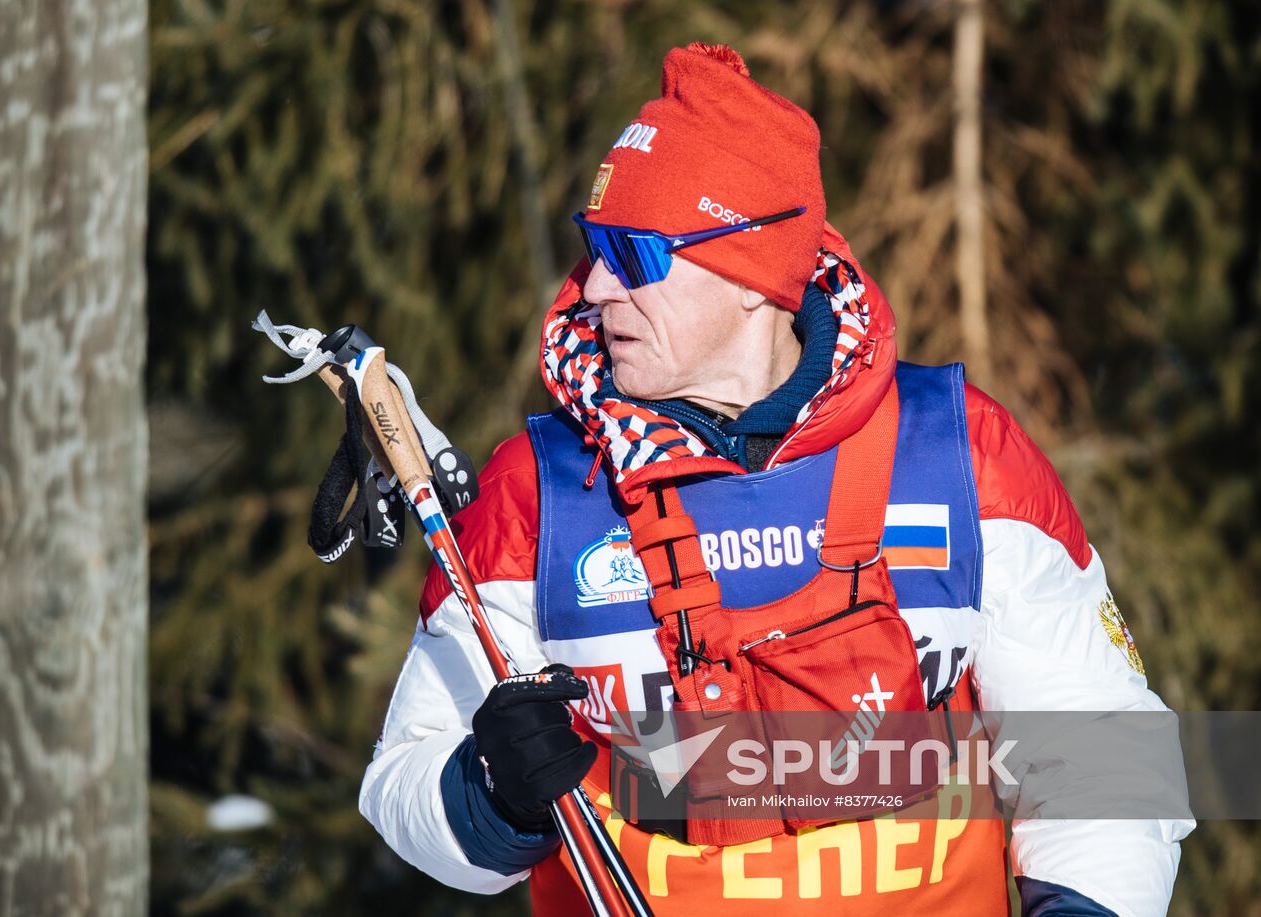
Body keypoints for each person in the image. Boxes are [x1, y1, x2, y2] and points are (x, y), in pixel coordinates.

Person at [360, 42, 1190, 915]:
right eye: (592, 245)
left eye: (634, 253)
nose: (597, 285)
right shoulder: (539, 493)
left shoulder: (961, 456)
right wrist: (491, 797)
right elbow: (403, 777)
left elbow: (1101, 754)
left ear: (750, 271)